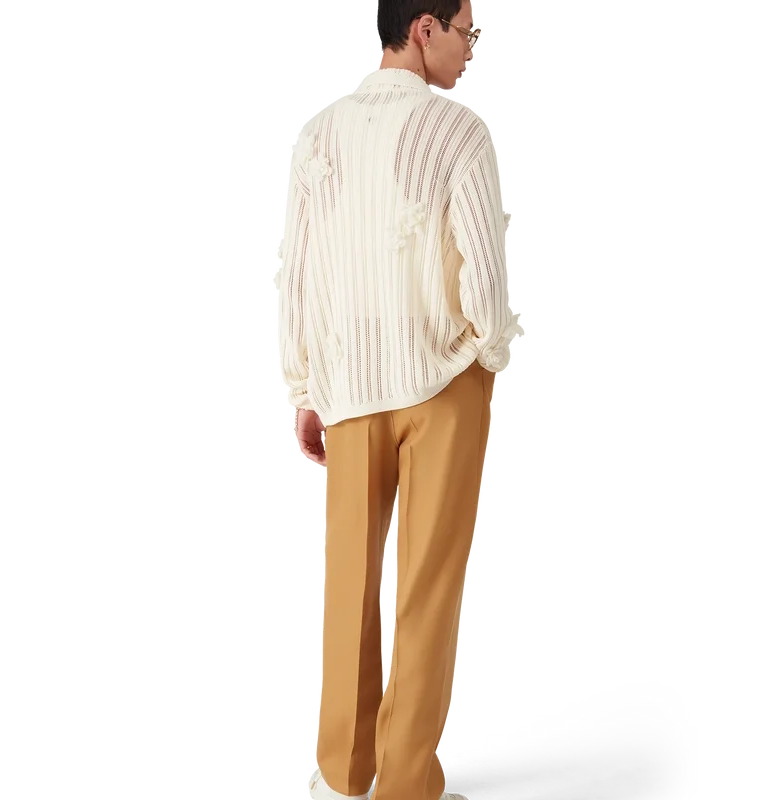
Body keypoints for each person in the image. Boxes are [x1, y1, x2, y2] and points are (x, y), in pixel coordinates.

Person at [278, 2, 524, 798]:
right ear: (425, 28)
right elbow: (484, 267)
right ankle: (408, 783)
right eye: (467, 33)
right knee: (426, 586)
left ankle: (342, 771)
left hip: (349, 384)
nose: (471, 52)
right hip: (444, 379)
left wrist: (306, 389)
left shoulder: (321, 130)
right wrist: (490, 350)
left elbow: (299, 269)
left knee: (348, 580)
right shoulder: (459, 129)